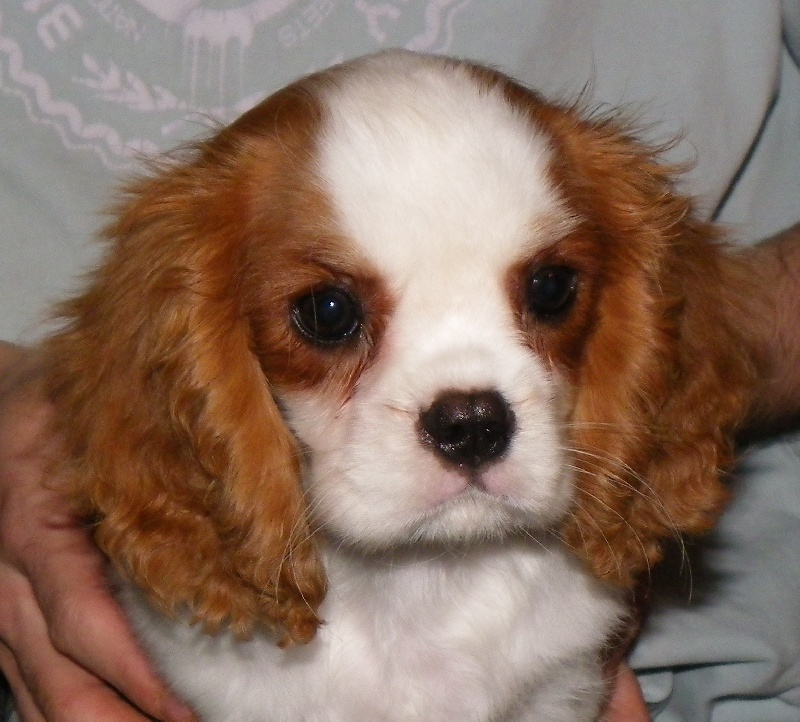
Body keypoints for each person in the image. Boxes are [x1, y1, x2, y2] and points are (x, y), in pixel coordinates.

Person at [1, 2, 799, 719]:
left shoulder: (572, 622)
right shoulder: (192, 658)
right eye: (331, 316)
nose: (471, 412)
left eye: (548, 292)